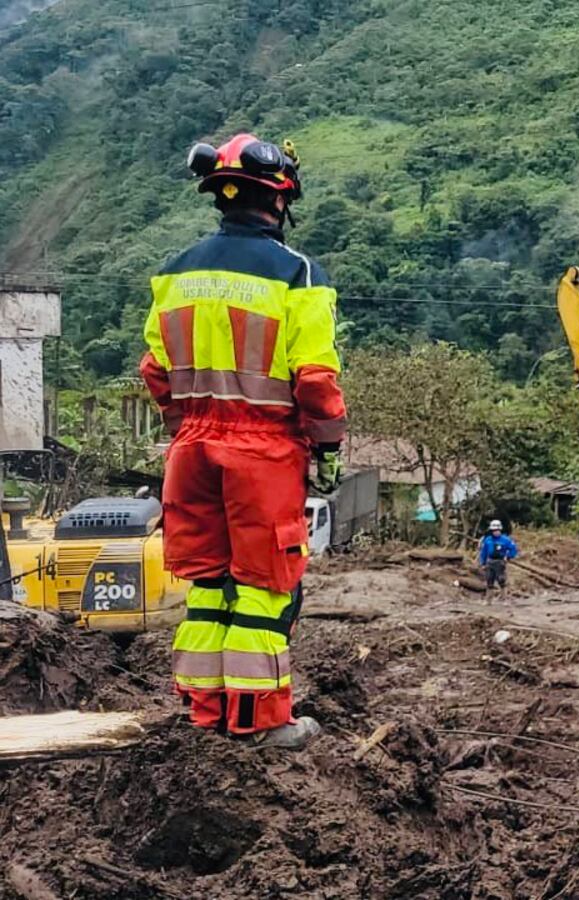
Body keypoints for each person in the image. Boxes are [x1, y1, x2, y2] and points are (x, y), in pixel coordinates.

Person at [142, 133, 345, 750]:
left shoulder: (175, 271)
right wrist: (329, 447)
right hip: (262, 451)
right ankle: (263, 721)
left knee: (207, 585)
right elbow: (314, 379)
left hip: (192, 447)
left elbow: (154, 371)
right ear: (280, 200)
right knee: (263, 588)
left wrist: (188, 423)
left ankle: (204, 715)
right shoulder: (296, 272)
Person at [478, 520, 518, 591]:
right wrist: (482, 563)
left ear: (500, 530)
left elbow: (513, 549)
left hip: (500, 561)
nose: (496, 532)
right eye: (494, 530)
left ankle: (504, 597)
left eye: (497, 530)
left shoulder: (506, 540)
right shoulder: (488, 540)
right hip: (490, 562)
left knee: (501, 580)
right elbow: (483, 552)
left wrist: (508, 556)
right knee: (489, 581)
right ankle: (489, 600)